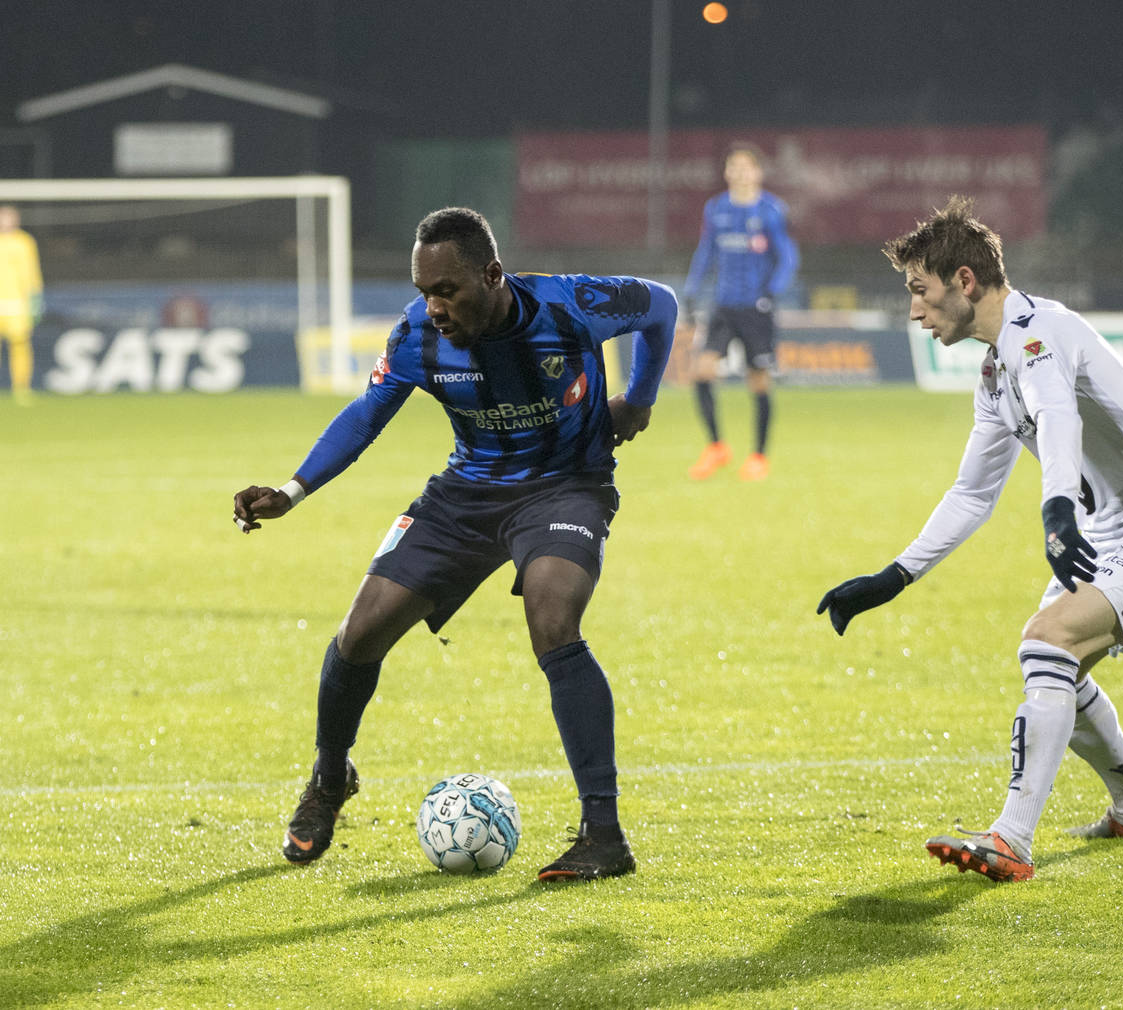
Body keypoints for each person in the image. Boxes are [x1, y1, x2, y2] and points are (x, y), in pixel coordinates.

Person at [234, 207, 676, 881]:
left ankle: (603, 835)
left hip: (565, 487)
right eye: (424, 292)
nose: (434, 306)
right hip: (465, 496)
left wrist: (639, 399)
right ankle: (329, 780)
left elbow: (663, 307)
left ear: (493, 275)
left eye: (448, 290)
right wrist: (292, 491)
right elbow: (366, 415)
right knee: (358, 636)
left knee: (553, 617)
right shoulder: (416, 338)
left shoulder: (570, 306)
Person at [817, 196, 1123, 882]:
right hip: (1108, 533)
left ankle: (1011, 839)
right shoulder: (995, 370)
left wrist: (1058, 512)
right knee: (1058, 661)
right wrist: (894, 576)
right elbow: (972, 492)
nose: (914, 311)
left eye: (921, 290)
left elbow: (1059, 414)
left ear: (965, 281)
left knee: (1046, 642)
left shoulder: (1040, 332)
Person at [681, 143, 798, 482]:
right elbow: (706, 252)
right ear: (727, 172)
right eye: (734, 167)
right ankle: (717, 447)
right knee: (702, 372)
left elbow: (788, 257)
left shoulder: (771, 210)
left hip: (755, 309)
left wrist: (771, 292)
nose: (740, 173)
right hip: (723, 306)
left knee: (758, 381)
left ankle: (759, 456)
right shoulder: (715, 209)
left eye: (747, 167)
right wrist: (691, 290)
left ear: (758, 172)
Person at [0, 205, 43, 402]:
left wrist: (36, 299)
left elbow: (33, 272)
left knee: (20, 345)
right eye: (2, 218)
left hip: (17, 303)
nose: (5, 221)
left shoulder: (25, 242)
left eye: (9, 218)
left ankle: (21, 389)